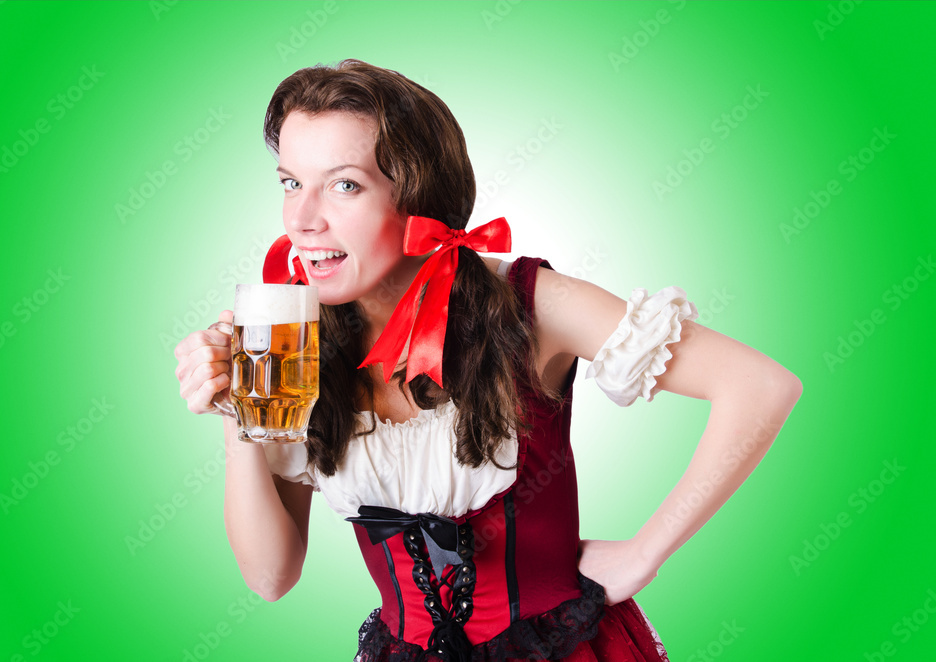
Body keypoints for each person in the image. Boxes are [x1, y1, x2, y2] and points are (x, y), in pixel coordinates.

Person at [173, 59, 802, 661]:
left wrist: (646, 552)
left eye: (344, 185)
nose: (303, 220)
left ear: (416, 194)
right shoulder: (294, 339)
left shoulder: (531, 305)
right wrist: (237, 414)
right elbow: (270, 575)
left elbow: (759, 386)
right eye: (291, 183)